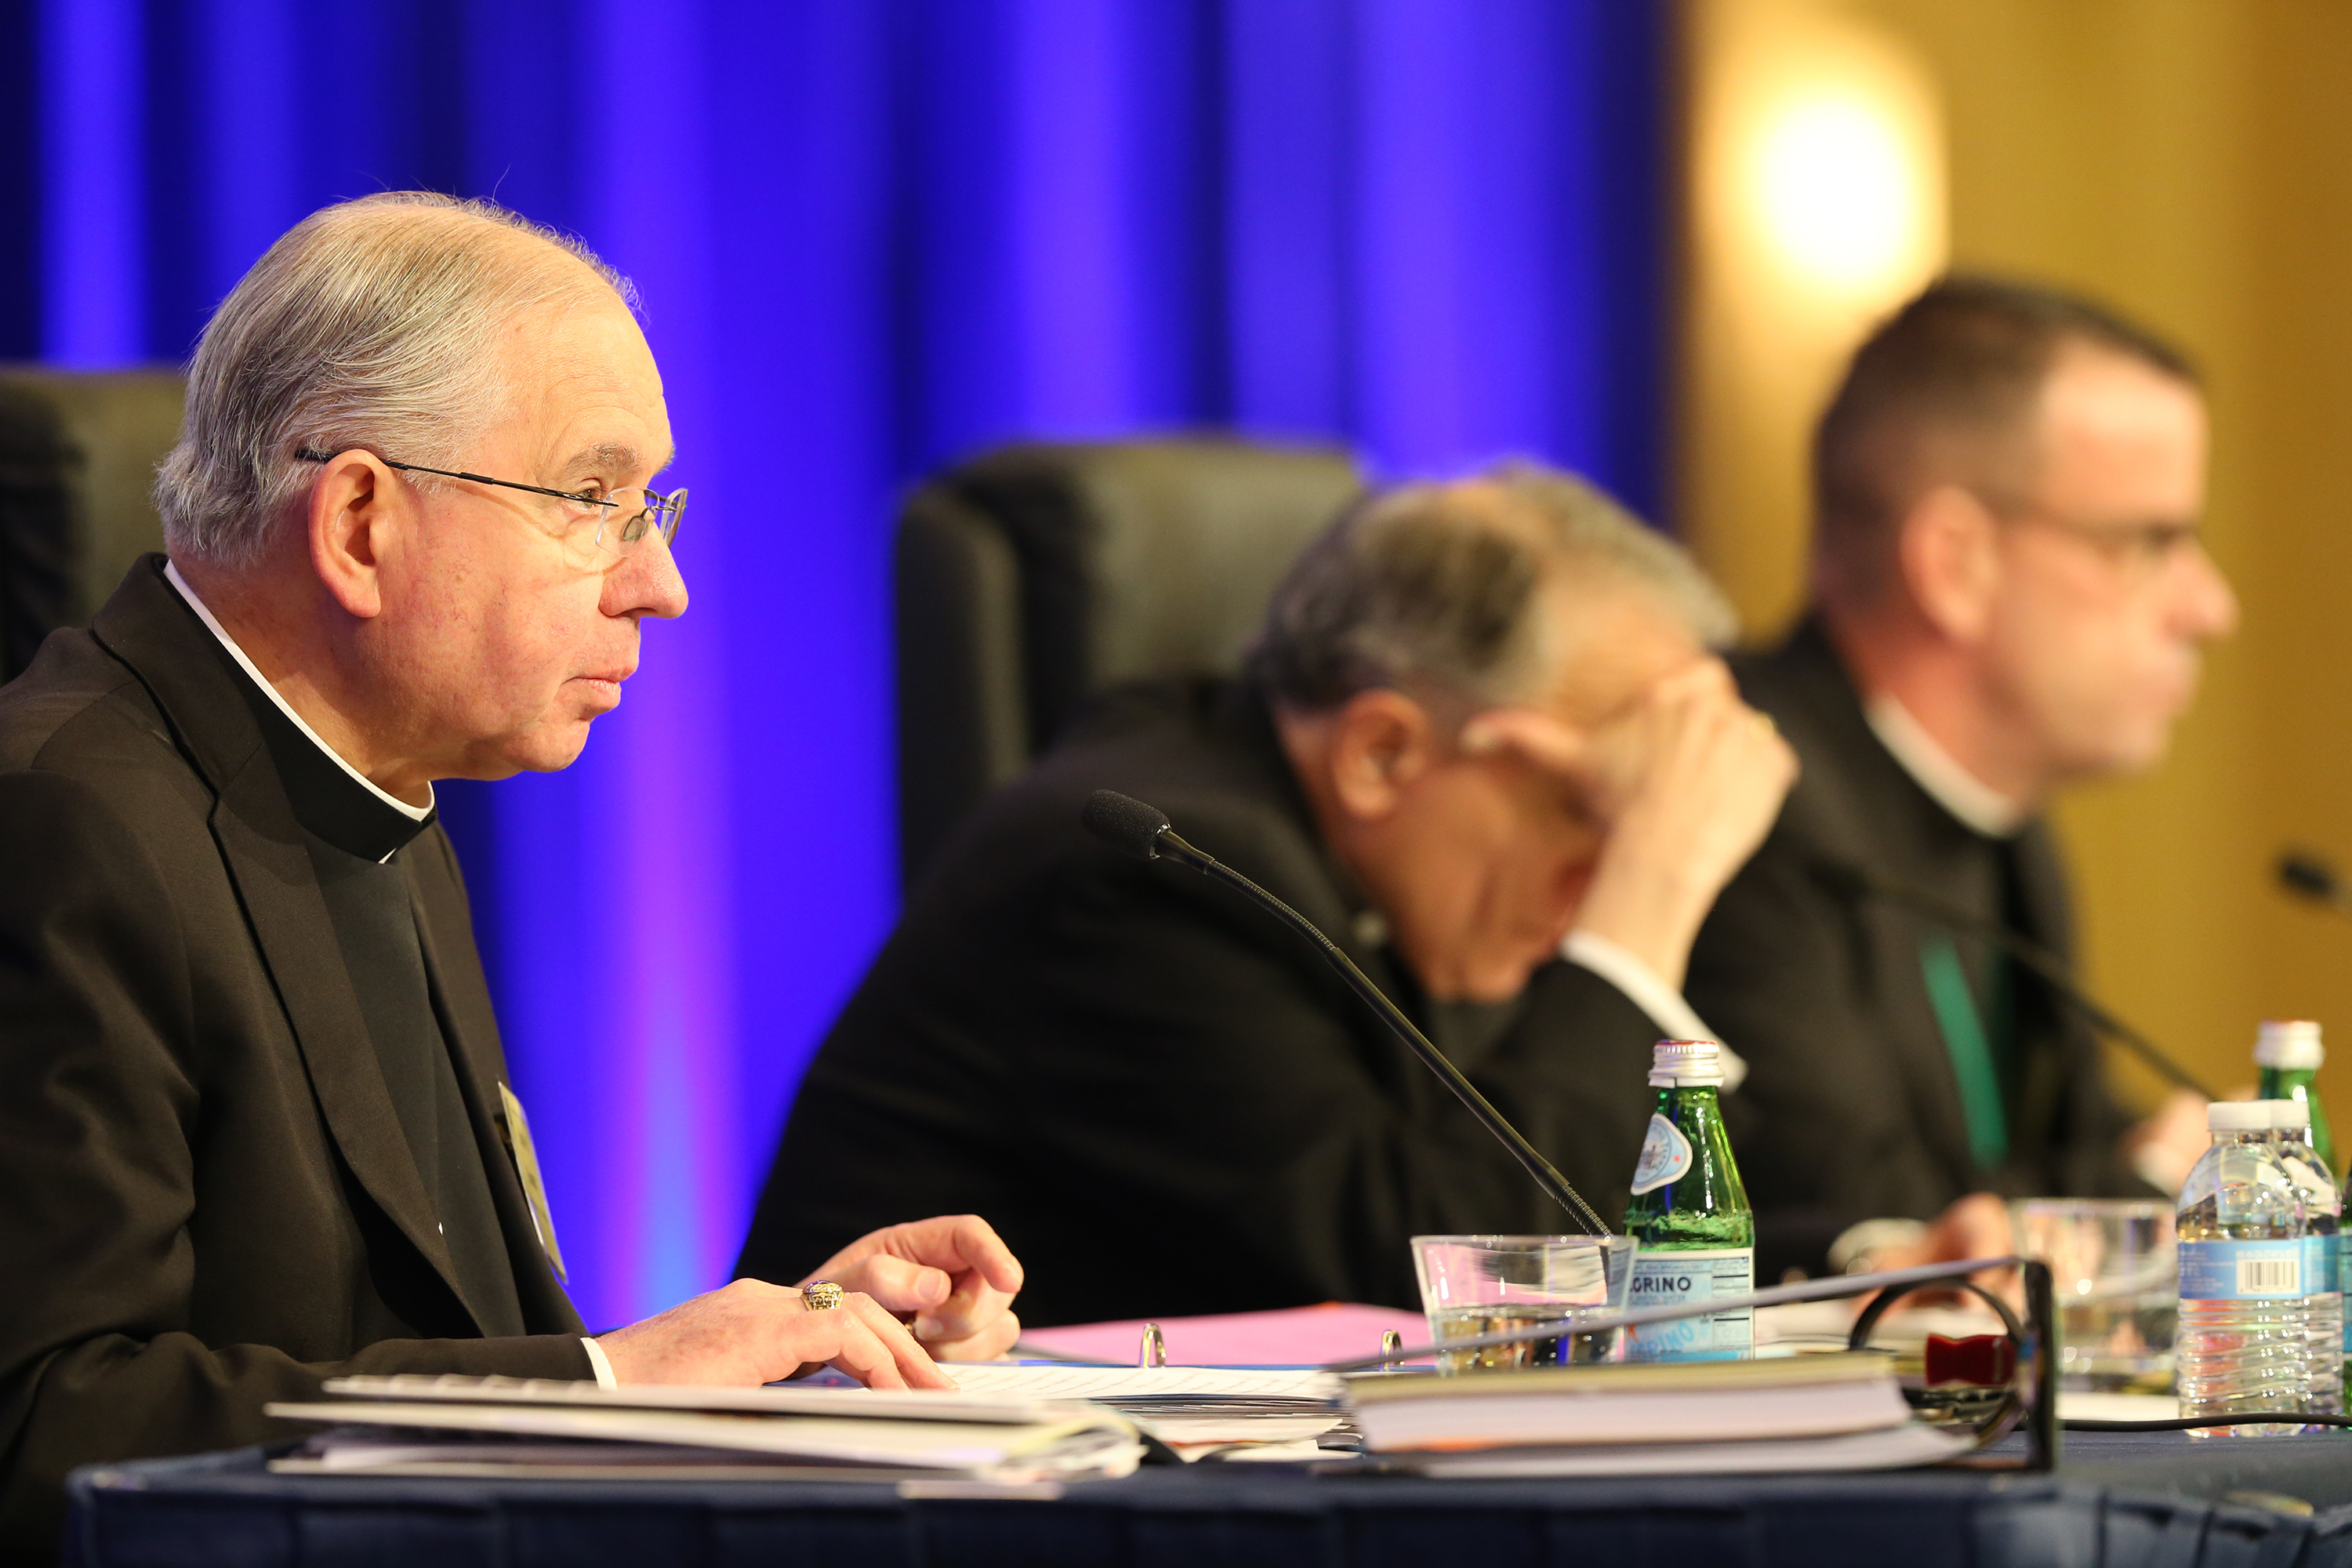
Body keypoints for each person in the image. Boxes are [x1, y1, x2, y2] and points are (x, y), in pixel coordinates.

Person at [0, 194, 1021, 1556]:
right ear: (360, 523)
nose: (660, 585)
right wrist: (619, 1380)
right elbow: (48, 1429)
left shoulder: (383, 804)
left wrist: (764, 1360)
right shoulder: (59, 826)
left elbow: (427, 1370)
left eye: (648, 506)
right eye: (592, 500)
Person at [738, 466, 1797, 1327]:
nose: (1605, 873)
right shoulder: (1157, 876)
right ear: (1382, 754)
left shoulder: (1379, 877)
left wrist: (1866, 1252)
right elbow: (1462, 1288)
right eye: (1595, 812)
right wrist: (1646, 899)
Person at [1683, 278, 2238, 1280]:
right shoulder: (1739, 793)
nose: (2210, 606)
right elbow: (1872, 1207)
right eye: (2150, 542)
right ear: (1956, 563)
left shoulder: (2005, 818)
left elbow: (2045, 1142)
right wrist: (2156, 1177)